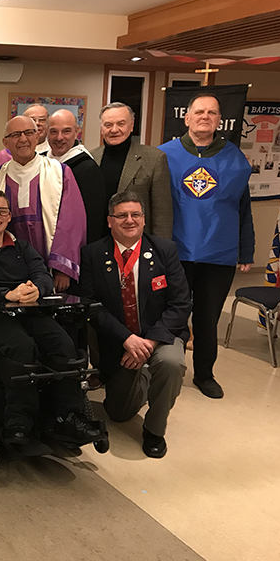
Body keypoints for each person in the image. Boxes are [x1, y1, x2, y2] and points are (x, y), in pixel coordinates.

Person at [0, 190, 102, 454]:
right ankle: (17, 421)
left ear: (10, 216)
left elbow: (42, 275)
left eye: (2, 211)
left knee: (62, 344)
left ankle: (67, 416)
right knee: (21, 347)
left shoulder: (22, 248)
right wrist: (6, 294)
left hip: (30, 311)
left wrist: (37, 289)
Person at [79, 191, 190, 457]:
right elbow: (91, 305)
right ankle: (146, 377)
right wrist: (127, 339)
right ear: (110, 221)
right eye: (122, 215)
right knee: (118, 413)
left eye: (135, 214)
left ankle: (154, 430)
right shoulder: (93, 254)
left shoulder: (165, 251)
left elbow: (181, 303)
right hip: (119, 339)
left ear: (143, 219)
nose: (129, 220)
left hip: (160, 335)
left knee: (171, 363)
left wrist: (148, 343)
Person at [159, 93, 254, 399]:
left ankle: (204, 374)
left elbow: (243, 209)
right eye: (199, 112)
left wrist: (246, 250)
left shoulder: (235, 159)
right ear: (186, 118)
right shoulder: (163, 155)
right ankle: (166, 369)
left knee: (208, 317)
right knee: (171, 313)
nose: (205, 117)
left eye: (212, 113)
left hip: (218, 253)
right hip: (175, 252)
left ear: (219, 120)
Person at [0, 115, 86, 293]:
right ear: (5, 142)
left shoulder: (60, 173)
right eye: (16, 135)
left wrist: (62, 268)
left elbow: (71, 223)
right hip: (7, 266)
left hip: (50, 264)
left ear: (37, 136)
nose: (23, 139)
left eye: (29, 133)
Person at [92, 102, 173, 239]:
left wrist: (160, 248)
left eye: (121, 124)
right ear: (101, 128)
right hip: (96, 242)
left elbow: (162, 214)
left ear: (132, 126)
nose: (114, 130)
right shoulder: (91, 158)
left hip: (137, 243)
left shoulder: (154, 158)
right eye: (108, 125)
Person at [47, 109, 107, 244]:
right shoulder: (42, 162)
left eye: (66, 131)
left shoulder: (87, 169)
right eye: (54, 131)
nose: (59, 138)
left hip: (73, 245)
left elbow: (94, 221)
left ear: (76, 132)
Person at [0, 104, 51, 171]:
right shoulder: (5, 156)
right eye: (32, 120)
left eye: (42, 120)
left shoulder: (54, 155)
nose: (37, 123)